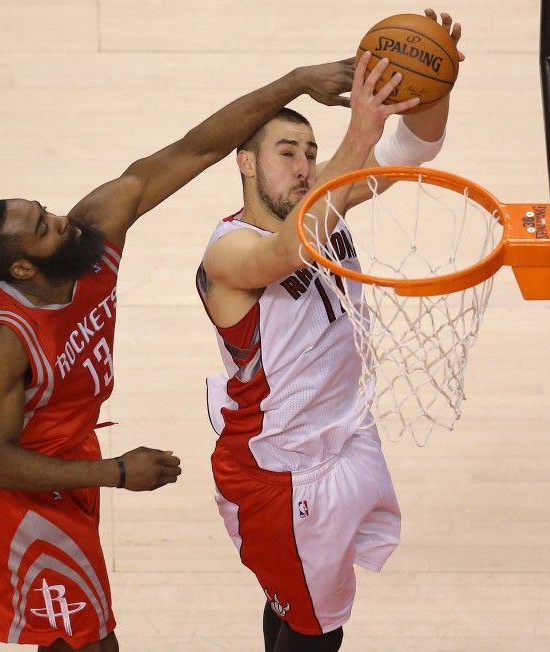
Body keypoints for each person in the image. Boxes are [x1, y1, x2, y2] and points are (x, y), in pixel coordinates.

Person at [0, 58, 356, 652]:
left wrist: (294, 82)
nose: (63, 220)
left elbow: (196, 148)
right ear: (21, 269)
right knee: (86, 643)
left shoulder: (91, 232)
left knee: (86, 635)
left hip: (68, 452)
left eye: (48, 210)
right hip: (16, 488)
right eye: (45, 228)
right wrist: (115, 473)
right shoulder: (4, 338)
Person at [195, 11, 462, 652]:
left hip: (343, 433)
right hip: (284, 473)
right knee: (320, 632)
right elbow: (284, 254)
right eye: (288, 153)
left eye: (312, 154)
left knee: (297, 603)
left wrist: (434, 86)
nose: (306, 166)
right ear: (246, 165)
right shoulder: (227, 251)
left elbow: (414, 150)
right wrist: (359, 131)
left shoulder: (327, 202)